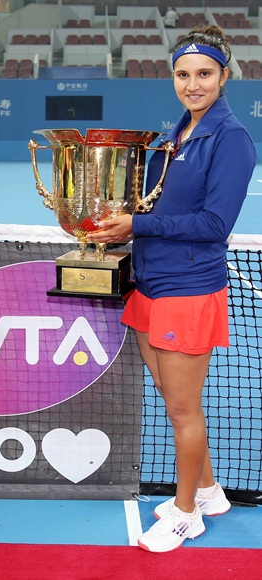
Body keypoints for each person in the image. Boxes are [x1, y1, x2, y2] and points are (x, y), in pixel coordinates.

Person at [87, 25, 256, 553]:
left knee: (185, 410)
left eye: (204, 74)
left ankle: (186, 515)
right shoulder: (174, 135)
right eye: (183, 74)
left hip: (188, 288)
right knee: (170, 397)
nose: (193, 83)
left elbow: (213, 225)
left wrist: (137, 226)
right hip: (151, 283)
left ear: (224, 76)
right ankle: (207, 491)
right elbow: (156, 205)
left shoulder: (231, 140)